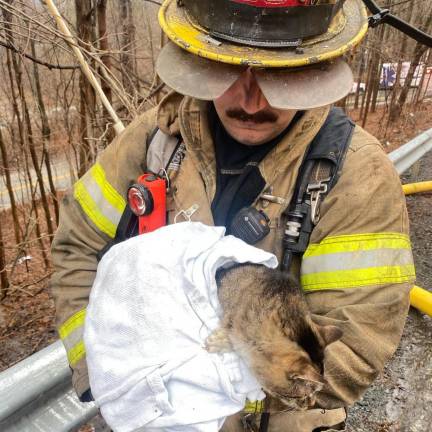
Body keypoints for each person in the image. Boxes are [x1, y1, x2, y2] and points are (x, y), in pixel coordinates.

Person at [51, 0, 416, 431]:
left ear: (315, 70)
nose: (251, 100)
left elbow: (354, 345)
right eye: (228, 70)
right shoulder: (155, 139)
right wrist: (100, 369)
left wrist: (211, 394)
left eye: (278, 74)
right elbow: (76, 248)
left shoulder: (358, 175)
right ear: (200, 59)